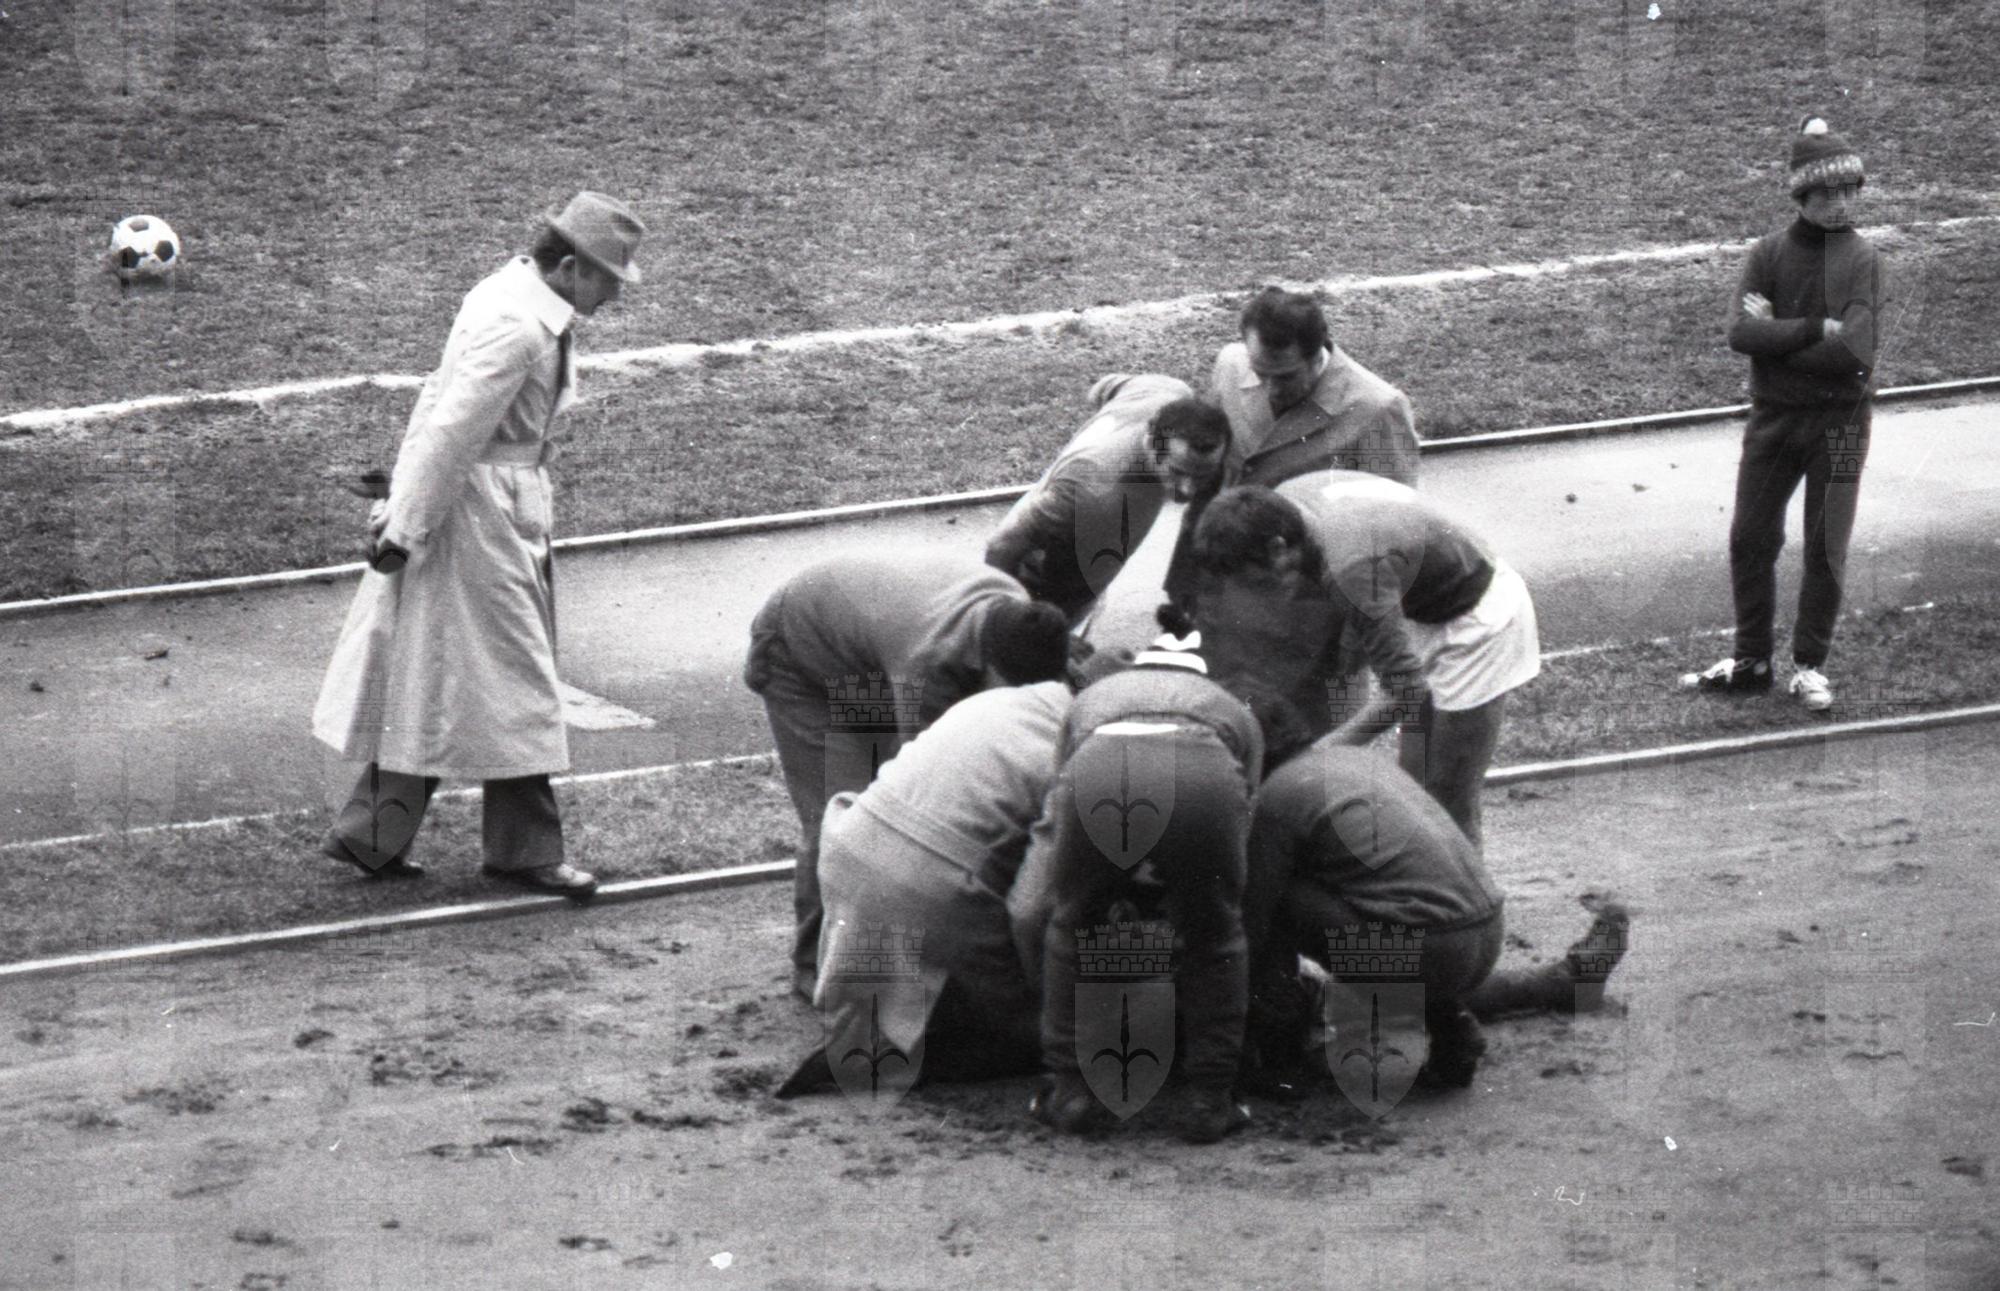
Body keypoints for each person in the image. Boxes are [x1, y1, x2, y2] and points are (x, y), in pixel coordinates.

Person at [312, 191, 646, 898]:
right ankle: (524, 852)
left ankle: (371, 836)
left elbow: (436, 410)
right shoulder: (519, 327)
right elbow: (451, 432)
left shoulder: (508, 296)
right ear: (568, 268)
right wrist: (403, 526)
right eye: (608, 277)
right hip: (483, 518)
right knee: (518, 679)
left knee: (435, 676)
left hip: (491, 510)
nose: (615, 293)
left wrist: (401, 511)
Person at [744, 550, 1072, 998]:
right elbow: (919, 788)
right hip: (799, 655)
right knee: (847, 818)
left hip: (867, 652)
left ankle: (891, 947)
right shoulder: (929, 663)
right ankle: (814, 966)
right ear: (987, 665)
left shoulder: (1019, 615)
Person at [1241, 740, 1629, 1095]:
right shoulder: (1348, 760)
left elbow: (1250, 924)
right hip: (1477, 928)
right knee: (1361, 982)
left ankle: (1282, 1054)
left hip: (1421, 952)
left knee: (1284, 907)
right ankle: (1561, 983)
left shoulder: (1278, 797)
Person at [1189, 472, 1540, 849]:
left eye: (1261, 581)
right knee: (1415, 786)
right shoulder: (1288, 503)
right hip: (1423, 603)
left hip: (1478, 621)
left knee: (1447, 798)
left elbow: (1405, 691)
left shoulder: (1351, 569)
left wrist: (1318, 757)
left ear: (1278, 547)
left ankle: (1470, 886)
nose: (1266, 592)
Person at [774, 679, 1073, 1100]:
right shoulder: (1084, 749)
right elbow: (1031, 909)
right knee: (1049, 1033)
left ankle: (886, 1028)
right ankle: (905, 1058)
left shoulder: (999, 700)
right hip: (933, 888)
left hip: (850, 843)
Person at [1022, 633, 1264, 1144]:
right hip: (1204, 774)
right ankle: (1210, 1099)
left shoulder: (1092, 698)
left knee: (1072, 922)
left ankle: (1070, 1090)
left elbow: (1058, 799)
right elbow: (1244, 819)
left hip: (1098, 769)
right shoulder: (1232, 708)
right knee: (1216, 936)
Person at [1682, 117, 1885, 713]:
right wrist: (1814, 328)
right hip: (1774, 421)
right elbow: (1740, 334)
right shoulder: (1769, 253)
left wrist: (1778, 335)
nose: (1841, 203)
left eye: (1849, 191)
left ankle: (1809, 666)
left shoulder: (1864, 260)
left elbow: (1855, 354)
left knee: (1826, 545)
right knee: (1750, 538)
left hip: (1843, 426)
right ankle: (1751, 662)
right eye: (1827, 192)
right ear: (1802, 195)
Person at [984, 374, 1211, 625]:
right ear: (1150, 442)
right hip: (1048, 590)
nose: (1188, 490)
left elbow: (1102, 388)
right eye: (1177, 471)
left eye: (1201, 474)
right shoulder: (1093, 489)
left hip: (1093, 559)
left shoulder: (1165, 390)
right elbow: (1001, 545)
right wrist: (1002, 615)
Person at [1211, 286, 1420, 490]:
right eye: (1260, 373)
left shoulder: (1379, 409)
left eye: (1286, 377)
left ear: (1317, 356)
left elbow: (1392, 506)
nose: (1271, 390)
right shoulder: (1230, 365)